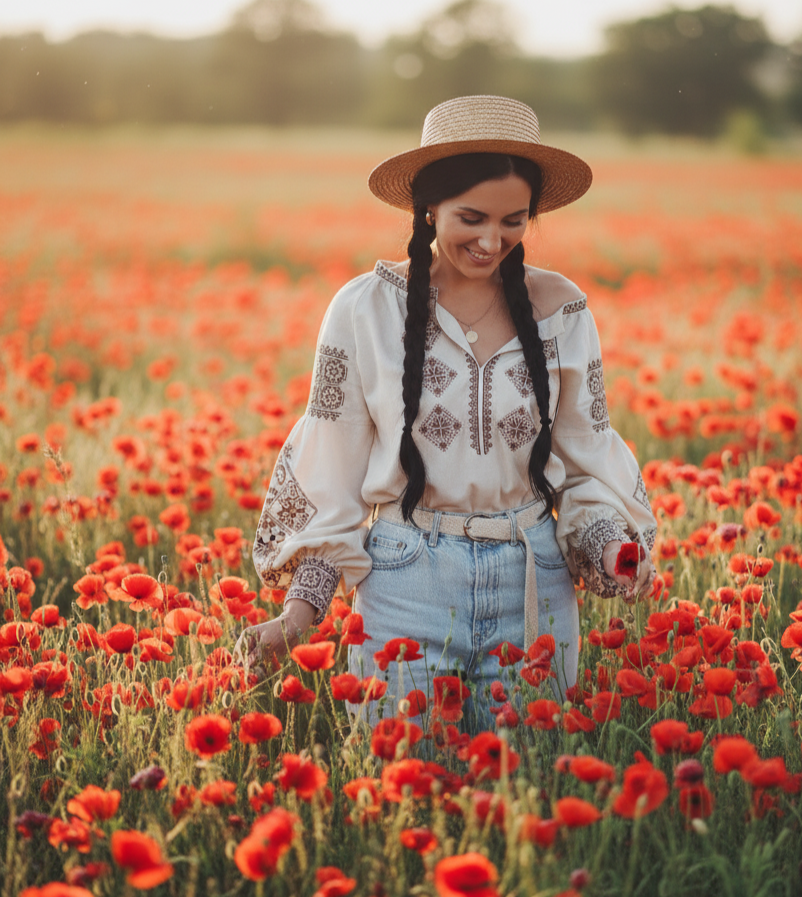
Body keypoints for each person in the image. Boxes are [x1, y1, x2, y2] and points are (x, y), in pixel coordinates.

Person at [234, 95, 657, 730]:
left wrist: (610, 545)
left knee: (526, 797)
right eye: (471, 217)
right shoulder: (365, 310)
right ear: (428, 208)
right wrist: (301, 612)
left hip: (533, 580)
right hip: (405, 581)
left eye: (514, 221)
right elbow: (334, 463)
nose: (493, 241)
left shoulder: (562, 309)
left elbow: (586, 450)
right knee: (405, 793)